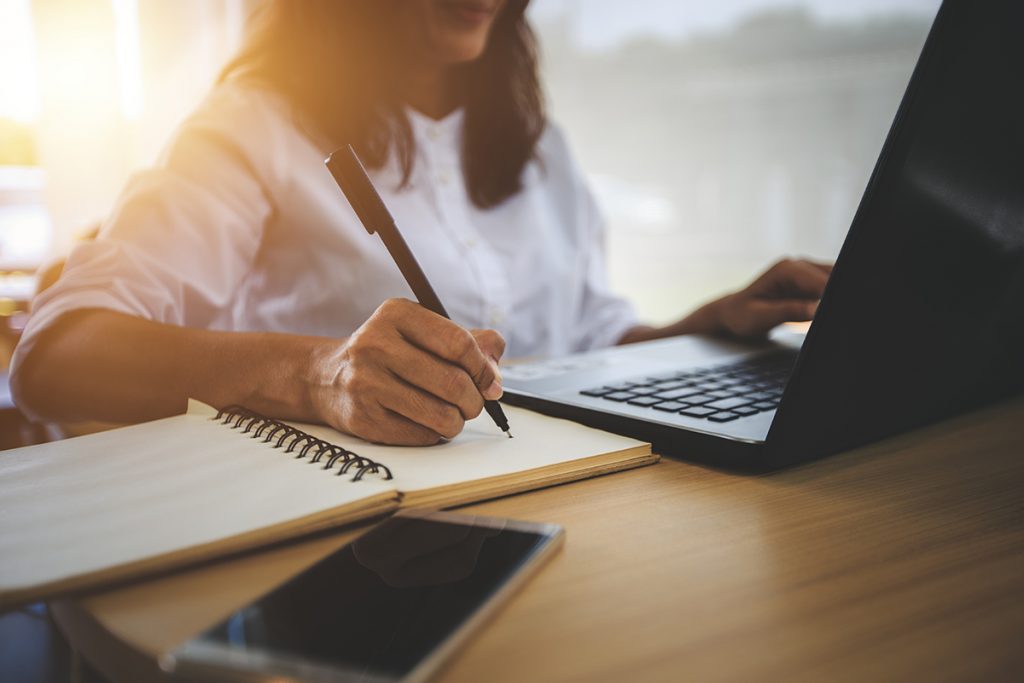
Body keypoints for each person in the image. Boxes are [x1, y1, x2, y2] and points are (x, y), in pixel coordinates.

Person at [10, 0, 831, 446]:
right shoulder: (250, 127)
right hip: (352, 552)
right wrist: (317, 375)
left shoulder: (539, 148)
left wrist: (709, 323)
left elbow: (582, 339)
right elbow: (54, 354)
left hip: (563, 503)